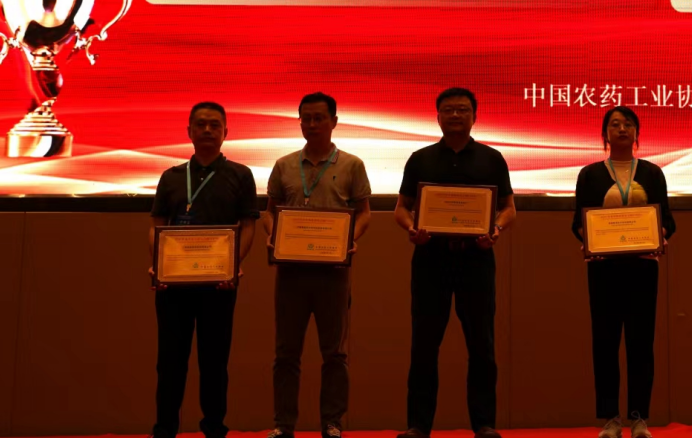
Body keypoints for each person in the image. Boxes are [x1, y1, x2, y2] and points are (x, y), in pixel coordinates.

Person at [394, 88, 516, 438]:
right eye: (448, 110)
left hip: (477, 259)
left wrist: (496, 229)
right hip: (430, 259)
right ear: (438, 117)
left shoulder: (492, 159)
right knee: (424, 344)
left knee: (482, 345)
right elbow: (401, 208)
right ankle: (418, 426)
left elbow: (509, 209)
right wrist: (411, 228)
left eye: (462, 109)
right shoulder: (420, 159)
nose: (455, 115)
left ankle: (484, 424)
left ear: (474, 116)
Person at [264, 93, 373, 438]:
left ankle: (332, 423)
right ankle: (283, 425)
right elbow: (270, 213)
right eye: (306, 119)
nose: (312, 125)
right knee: (286, 353)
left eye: (319, 118)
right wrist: (273, 235)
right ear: (300, 122)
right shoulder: (283, 165)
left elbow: (364, 213)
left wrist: (351, 238)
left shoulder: (352, 165)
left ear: (334, 122)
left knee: (335, 354)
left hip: (333, 273)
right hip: (291, 273)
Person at [149, 102, 258, 438]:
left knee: (214, 363)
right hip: (173, 286)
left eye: (214, 125)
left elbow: (248, 226)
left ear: (226, 132)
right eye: (201, 124)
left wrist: (233, 266)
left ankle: (214, 429)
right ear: (189, 132)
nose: (207, 130)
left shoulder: (241, 175)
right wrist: (158, 265)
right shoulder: (170, 177)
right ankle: (164, 430)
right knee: (170, 362)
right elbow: (157, 226)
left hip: (218, 285)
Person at [571, 107, 676, 438]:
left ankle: (639, 418)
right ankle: (611, 419)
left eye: (627, 124)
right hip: (603, 269)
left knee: (641, 343)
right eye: (614, 124)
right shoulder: (590, 175)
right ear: (605, 134)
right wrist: (590, 241)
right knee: (604, 342)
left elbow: (667, 221)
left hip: (643, 267)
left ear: (636, 133)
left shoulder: (652, 173)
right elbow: (578, 223)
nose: (621, 129)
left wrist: (659, 236)